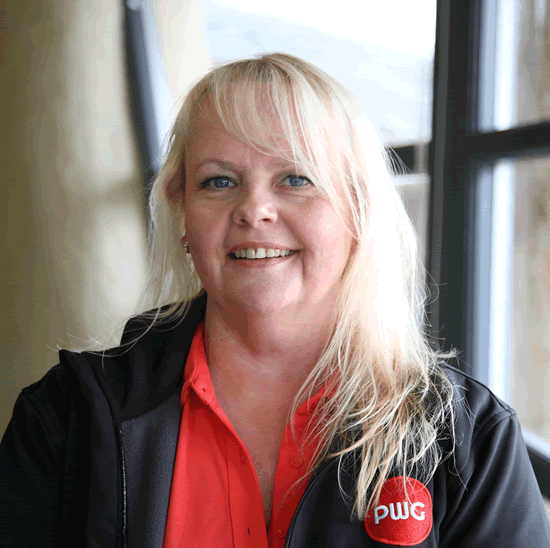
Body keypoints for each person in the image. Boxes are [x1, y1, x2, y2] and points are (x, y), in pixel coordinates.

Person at [1, 52, 549, 548]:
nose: (253, 210)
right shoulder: (65, 419)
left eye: (295, 178)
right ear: (183, 213)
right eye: (218, 182)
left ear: (358, 211)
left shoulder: (469, 441)